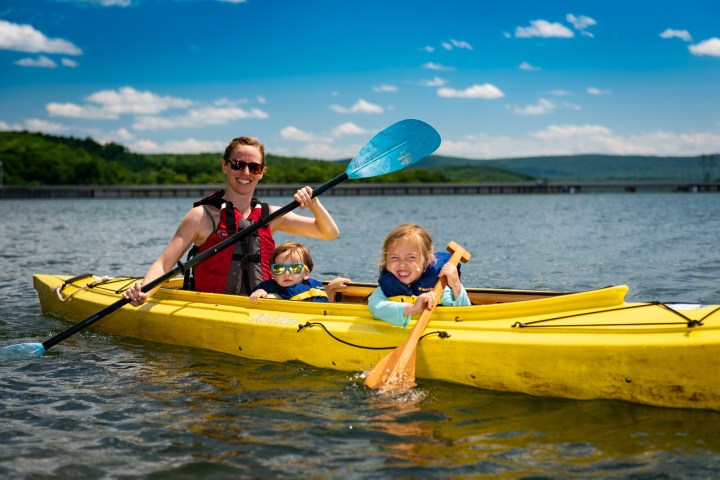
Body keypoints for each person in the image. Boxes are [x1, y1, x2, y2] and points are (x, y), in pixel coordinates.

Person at [122, 136, 339, 306]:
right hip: (214, 308)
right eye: (238, 164)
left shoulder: (270, 216)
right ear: (225, 166)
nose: (245, 172)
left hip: (264, 306)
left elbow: (329, 233)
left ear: (261, 172)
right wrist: (143, 291)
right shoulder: (202, 216)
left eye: (253, 167)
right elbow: (164, 264)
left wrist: (314, 204)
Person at [368, 223, 471, 327]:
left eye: (411, 257)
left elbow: (464, 315)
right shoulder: (386, 287)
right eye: (394, 257)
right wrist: (412, 308)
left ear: (427, 260)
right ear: (386, 260)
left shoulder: (437, 287)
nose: (402, 264)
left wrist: (456, 285)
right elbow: (376, 307)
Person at [249, 242, 350, 303]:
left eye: (294, 268)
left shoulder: (314, 285)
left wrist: (331, 287)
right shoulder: (268, 286)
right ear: (273, 275)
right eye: (279, 269)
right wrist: (259, 293)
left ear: (306, 273)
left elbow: (326, 305)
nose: (287, 273)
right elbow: (252, 297)